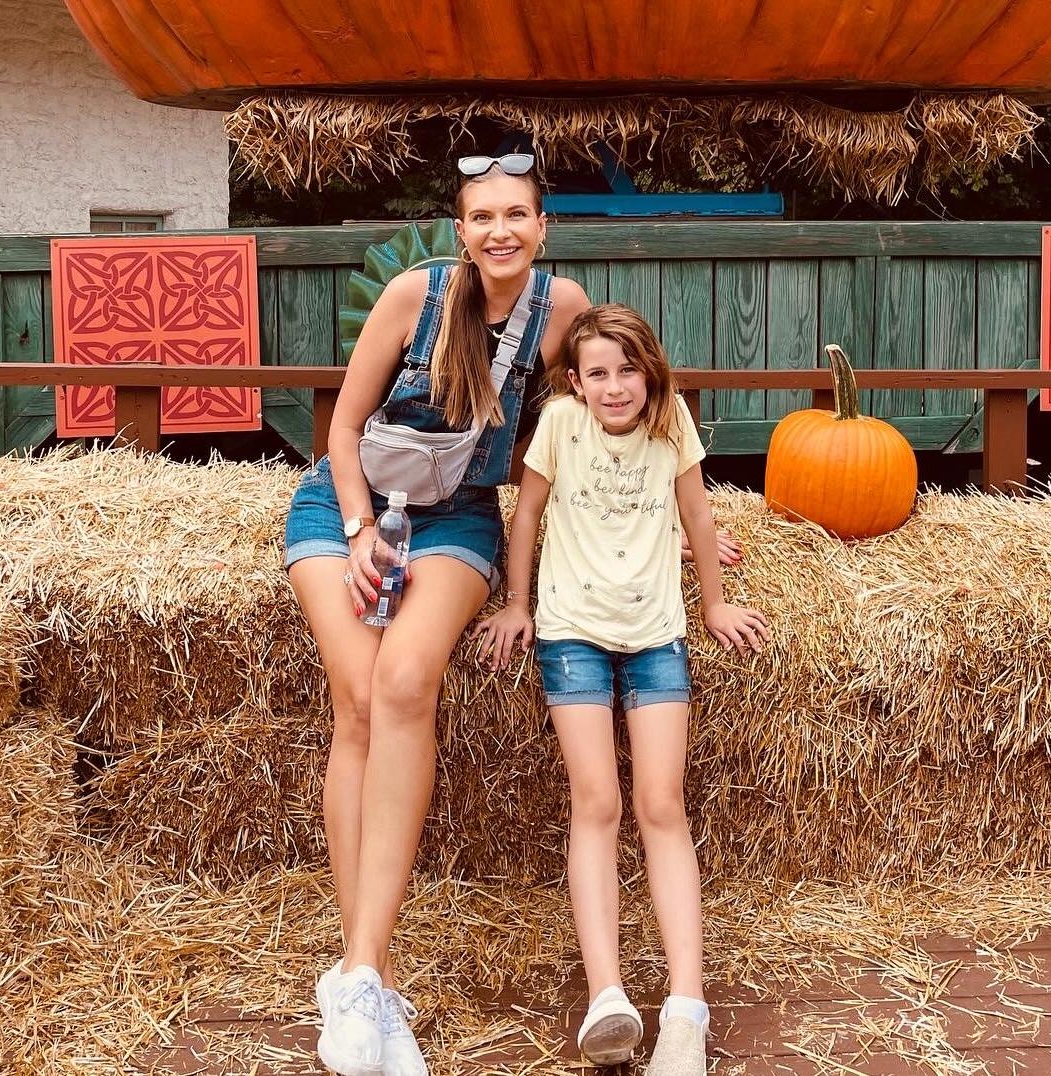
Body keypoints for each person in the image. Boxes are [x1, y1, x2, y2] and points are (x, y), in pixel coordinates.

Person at [284, 152, 594, 1076]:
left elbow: (606, 417)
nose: (501, 231)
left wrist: (677, 519)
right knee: (358, 701)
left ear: (542, 228)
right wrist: (357, 531)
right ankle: (368, 978)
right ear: (461, 232)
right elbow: (343, 430)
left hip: (459, 514)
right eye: (482, 217)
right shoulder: (414, 297)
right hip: (345, 507)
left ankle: (356, 976)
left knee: (406, 680)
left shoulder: (561, 310)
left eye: (517, 215)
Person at [474, 304, 769, 1075]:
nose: (615, 387)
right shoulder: (561, 425)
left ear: (650, 371)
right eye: (598, 373)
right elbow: (527, 515)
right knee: (597, 800)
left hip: (655, 637)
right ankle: (607, 996)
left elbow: (696, 513)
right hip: (572, 634)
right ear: (576, 382)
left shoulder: (672, 425)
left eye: (628, 370)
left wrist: (712, 603)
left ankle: (685, 1010)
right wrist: (517, 604)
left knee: (661, 803)